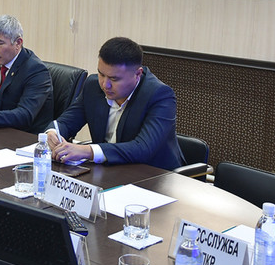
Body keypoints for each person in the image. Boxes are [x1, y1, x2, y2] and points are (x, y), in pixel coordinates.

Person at [45, 37, 185, 169]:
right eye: (101, 74)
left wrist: (88, 151)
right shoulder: (93, 86)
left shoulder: (159, 95)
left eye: (114, 79)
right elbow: (67, 122)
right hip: (109, 171)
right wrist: (52, 133)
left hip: (154, 175)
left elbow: (143, 148)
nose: (105, 84)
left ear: (137, 74)